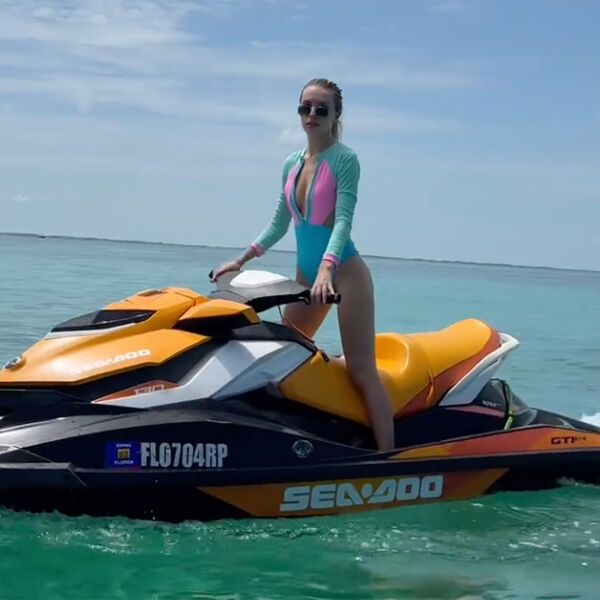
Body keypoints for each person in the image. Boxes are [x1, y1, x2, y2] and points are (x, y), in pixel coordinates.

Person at [211, 78, 394, 451]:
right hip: (308, 278)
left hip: (344, 274)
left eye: (321, 109)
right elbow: (279, 222)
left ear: (336, 115)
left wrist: (327, 268)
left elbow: (343, 220)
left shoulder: (345, 160)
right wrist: (241, 259)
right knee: (282, 355)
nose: (312, 115)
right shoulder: (291, 163)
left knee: (361, 371)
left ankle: (389, 457)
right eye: (305, 107)